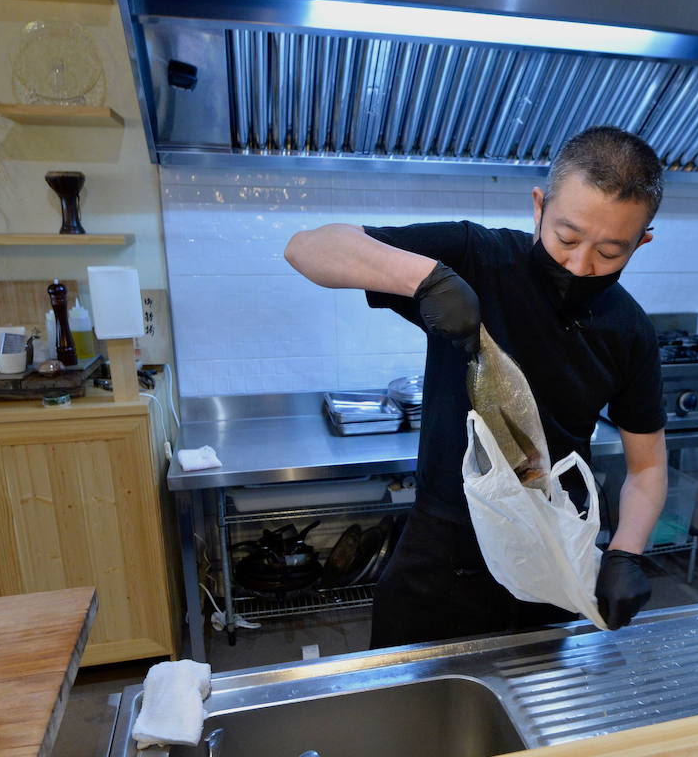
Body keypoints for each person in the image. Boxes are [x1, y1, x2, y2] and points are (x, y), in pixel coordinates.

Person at [284, 125, 668, 647]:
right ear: (539, 207)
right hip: (444, 546)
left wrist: (625, 552)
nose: (580, 265)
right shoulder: (476, 258)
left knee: (534, 712)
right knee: (407, 707)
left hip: (552, 549)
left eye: (610, 252)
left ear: (641, 241)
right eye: (567, 237)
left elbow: (646, 466)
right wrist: (427, 280)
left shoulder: (632, 331)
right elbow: (309, 248)